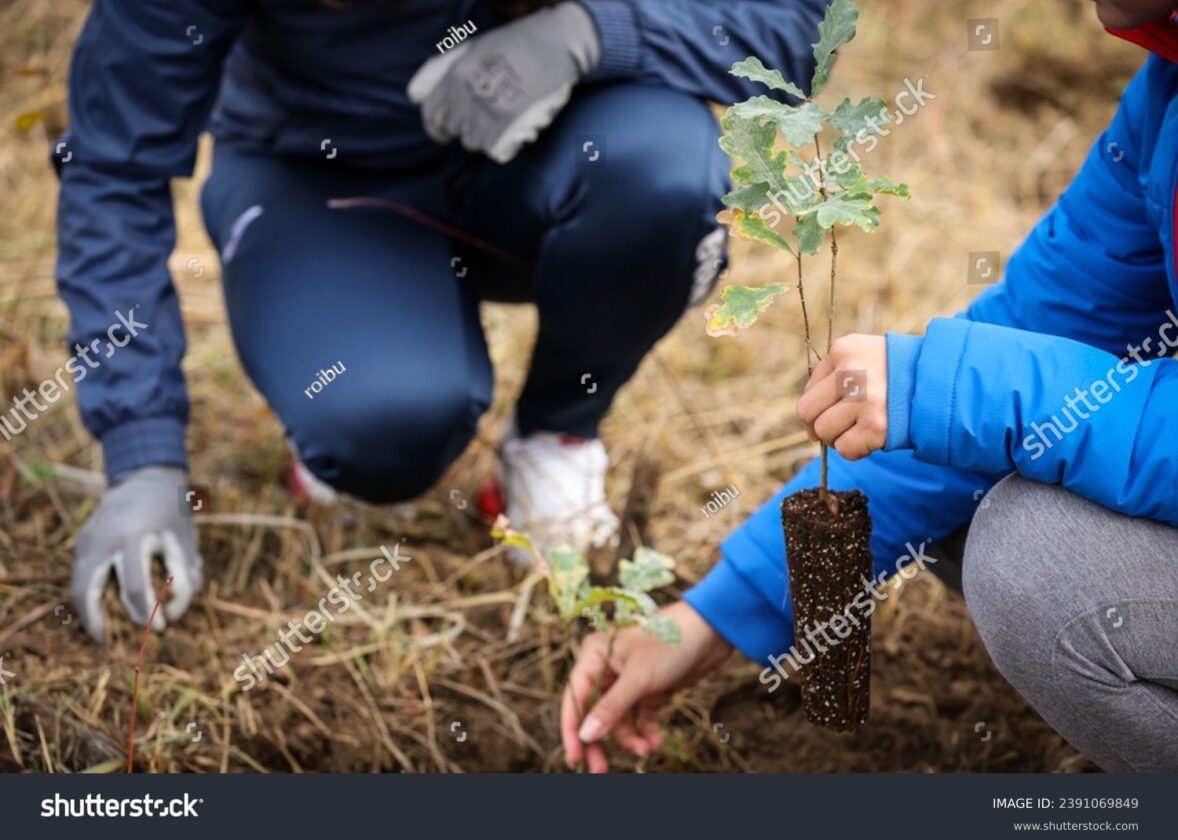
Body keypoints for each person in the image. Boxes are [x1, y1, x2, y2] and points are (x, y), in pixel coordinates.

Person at [54, 0, 827, 642]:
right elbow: (113, 167)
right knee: (385, 426)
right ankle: (361, 363)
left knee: (666, 176)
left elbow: (795, 26)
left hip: (543, 149)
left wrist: (594, 33)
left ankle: (556, 435)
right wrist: (142, 453)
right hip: (320, 178)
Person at [562, 0, 1178, 773]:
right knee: (961, 467)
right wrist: (715, 615)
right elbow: (1050, 324)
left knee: (1035, 564)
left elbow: (995, 387)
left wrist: (963, 390)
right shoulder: (1165, 92)